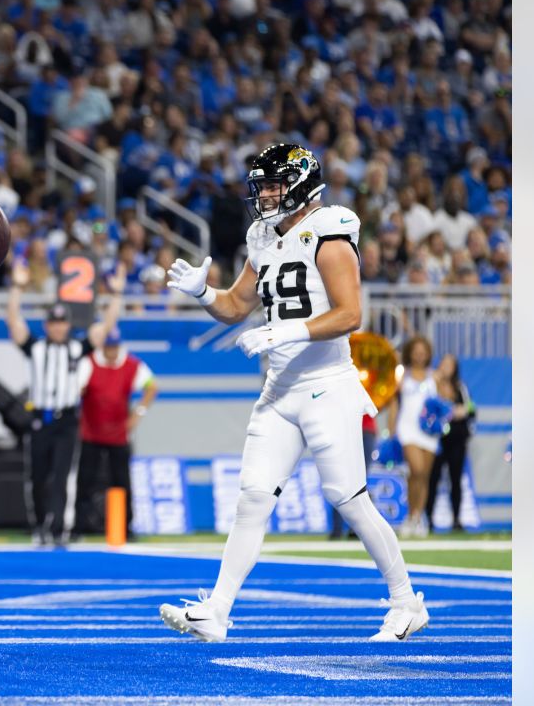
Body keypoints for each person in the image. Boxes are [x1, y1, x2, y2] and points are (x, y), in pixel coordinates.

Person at [161, 144, 427, 642]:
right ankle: (216, 611)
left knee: (348, 499)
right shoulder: (262, 236)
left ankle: (406, 602)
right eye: (259, 185)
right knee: (252, 498)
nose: (263, 194)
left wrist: (287, 331)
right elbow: (237, 305)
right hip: (280, 388)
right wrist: (203, 293)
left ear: (301, 184)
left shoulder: (330, 232)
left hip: (327, 385)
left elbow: (350, 314)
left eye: (272, 184)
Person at [6, 260, 120, 547]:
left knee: (60, 477)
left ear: (68, 325)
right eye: (53, 323)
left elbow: (105, 327)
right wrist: (17, 288)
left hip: (67, 420)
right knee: (38, 476)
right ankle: (40, 525)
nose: (58, 327)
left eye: (62, 322)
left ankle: (57, 529)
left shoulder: (77, 347)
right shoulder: (36, 347)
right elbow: (13, 322)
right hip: (40, 419)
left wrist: (116, 295)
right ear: (48, 325)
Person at [75, 324, 157, 536]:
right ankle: (81, 524)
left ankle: (124, 526)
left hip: (119, 434)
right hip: (91, 432)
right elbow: (77, 388)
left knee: (121, 481)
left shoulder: (131, 364)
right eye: (108, 346)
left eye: (114, 346)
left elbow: (152, 386)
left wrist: (137, 414)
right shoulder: (89, 362)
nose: (111, 351)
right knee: (86, 480)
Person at [390, 335, 440, 538]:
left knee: (424, 476)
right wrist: (391, 429)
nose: (419, 354)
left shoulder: (434, 377)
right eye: (416, 350)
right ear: (410, 352)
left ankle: (417, 517)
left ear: (427, 354)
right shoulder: (402, 376)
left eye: (423, 351)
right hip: (407, 428)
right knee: (416, 469)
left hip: (428, 432)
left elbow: (444, 402)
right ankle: (411, 515)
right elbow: (395, 404)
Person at [425, 353, 475, 532]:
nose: (446, 368)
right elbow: (428, 408)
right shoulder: (432, 385)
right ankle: (428, 519)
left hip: (457, 439)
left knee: (455, 479)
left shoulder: (460, 387)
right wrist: (450, 411)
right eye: (444, 363)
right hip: (436, 440)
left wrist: (462, 411)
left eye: (450, 365)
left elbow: (470, 408)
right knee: (432, 479)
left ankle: (456, 519)